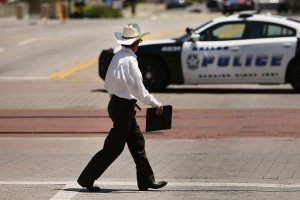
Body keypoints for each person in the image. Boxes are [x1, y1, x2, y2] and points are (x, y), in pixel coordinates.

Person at [77, 23, 167, 192]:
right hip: (123, 108)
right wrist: (155, 103)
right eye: (139, 42)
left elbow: (109, 83)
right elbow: (139, 89)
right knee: (113, 148)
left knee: (137, 142)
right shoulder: (130, 60)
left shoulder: (118, 56)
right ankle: (86, 178)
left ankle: (147, 180)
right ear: (137, 42)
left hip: (117, 105)